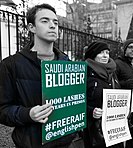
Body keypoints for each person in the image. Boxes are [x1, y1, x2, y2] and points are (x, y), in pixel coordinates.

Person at [0, 4, 77, 148]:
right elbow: (2, 109)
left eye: (55, 22)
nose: (53, 26)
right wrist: (28, 114)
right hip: (31, 143)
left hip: (65, 143)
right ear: (31, 28)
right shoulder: (10, 65)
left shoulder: (68, 64)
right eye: (45, 21)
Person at [83, 41, 124, 148]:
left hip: (114, 127)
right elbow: (75, 102)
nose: (105, 55)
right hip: (95, 129)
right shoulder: (84, 73)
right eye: (101, 53)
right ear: (93, 55)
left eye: (107, 52)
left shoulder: (112, 72)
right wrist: (91, 111)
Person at [115, 39, 133, 148]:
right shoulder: (117, 63)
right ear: (125, 49)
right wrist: (124, 84)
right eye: (130, 47)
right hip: (123, 104)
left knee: (132, 130)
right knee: (121, 132)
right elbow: (113, 84)